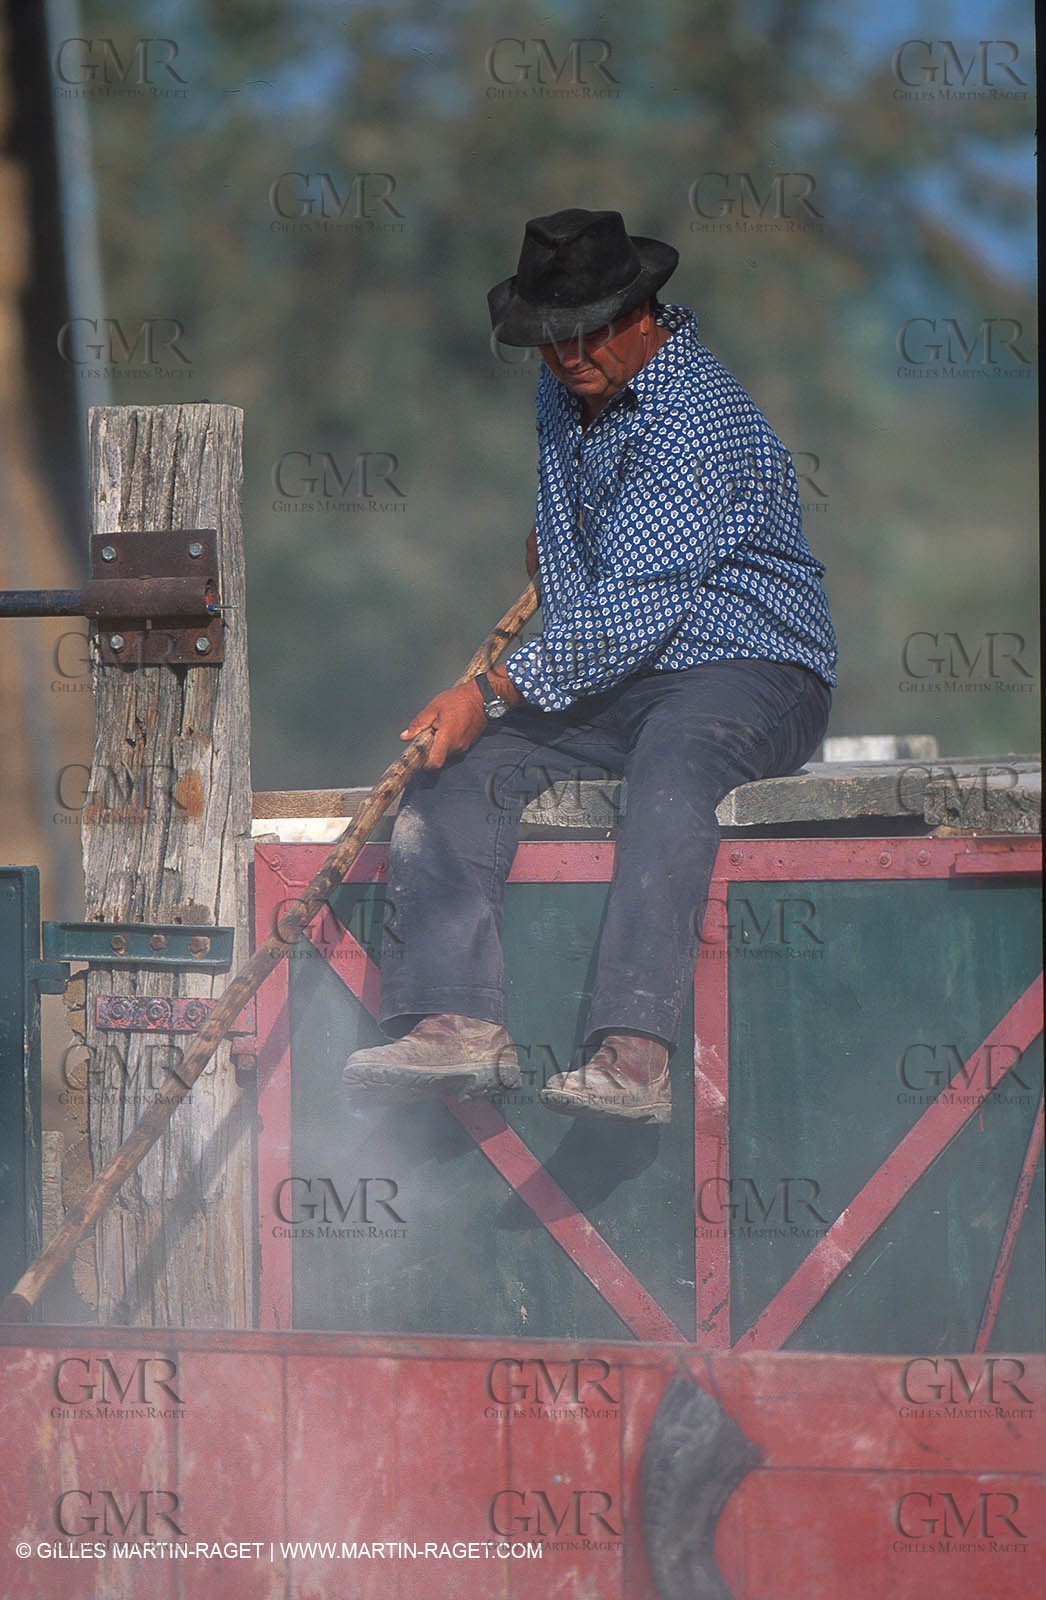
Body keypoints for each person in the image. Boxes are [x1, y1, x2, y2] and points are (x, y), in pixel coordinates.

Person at [342, 207, 836, 1124]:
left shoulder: (693, 420)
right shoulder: (565, 389)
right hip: (624, 674)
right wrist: (565, 540)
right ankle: (455, 1021)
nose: (569, 356)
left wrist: (489, 690)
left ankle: (635, 1052)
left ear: (646, 312)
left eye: (590, 333)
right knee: (460, 768)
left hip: (752, 668)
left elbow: (635, 608)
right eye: (549, 339)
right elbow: (596, 561)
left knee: (673, 766)